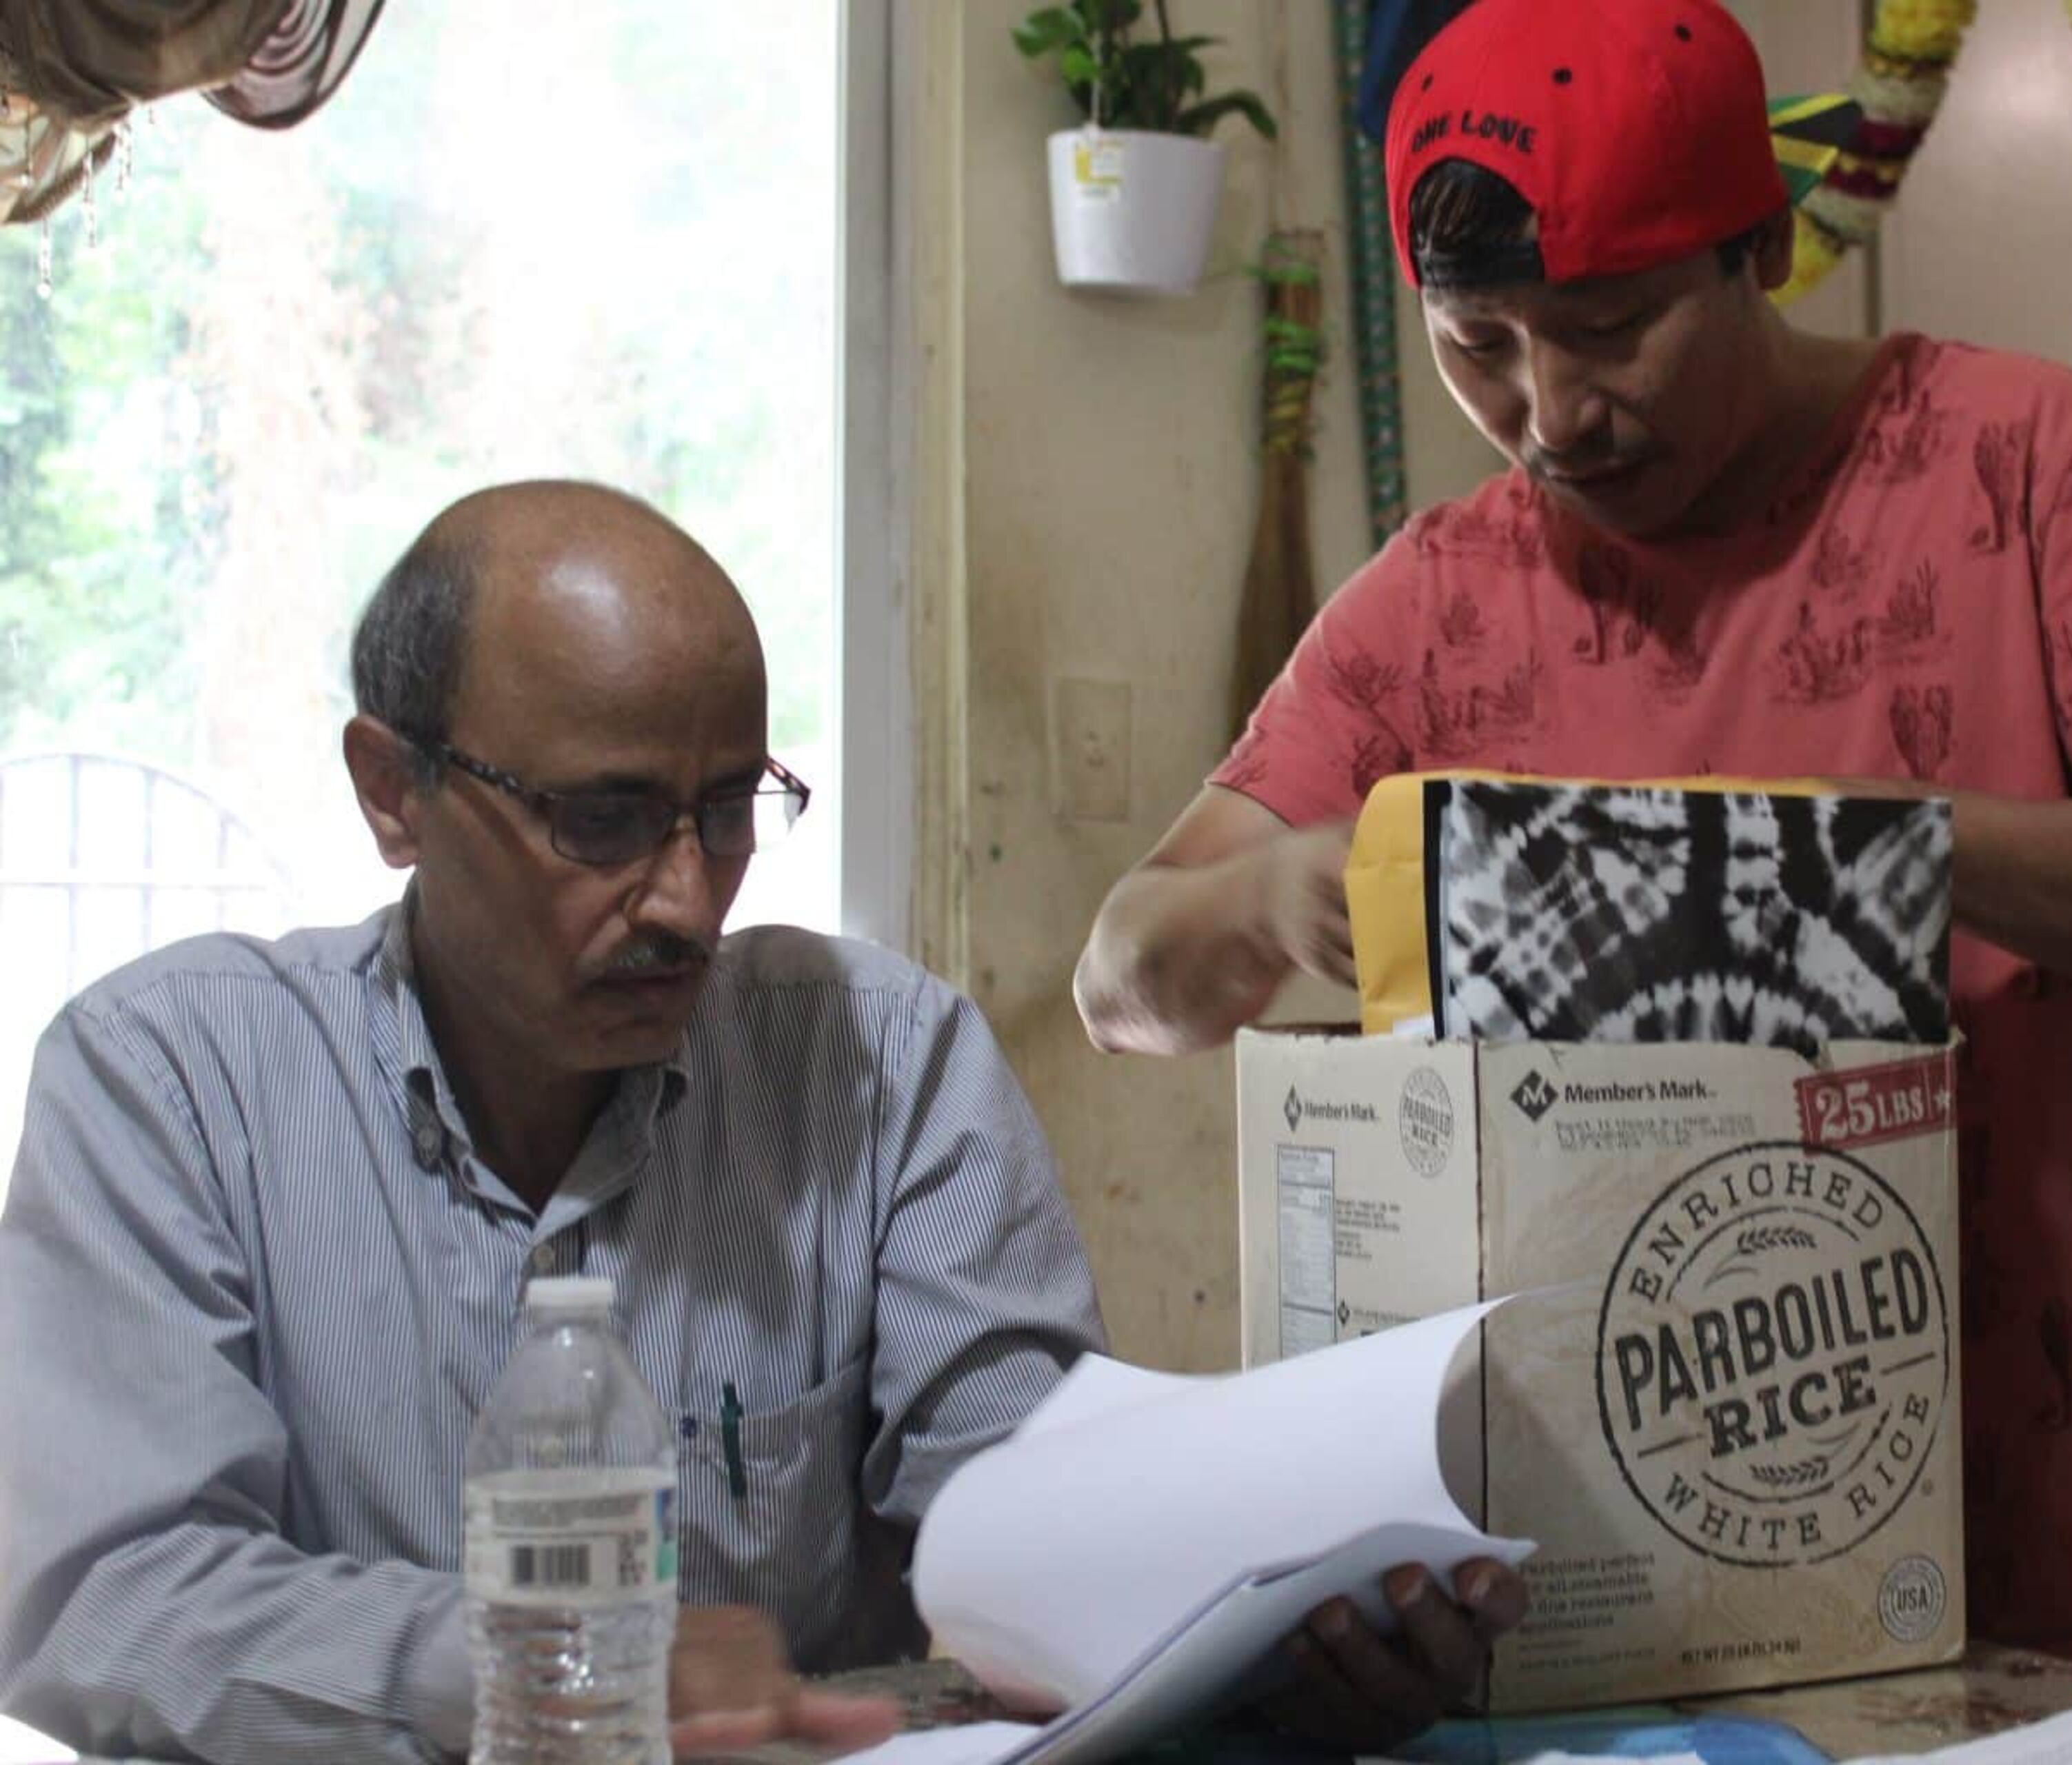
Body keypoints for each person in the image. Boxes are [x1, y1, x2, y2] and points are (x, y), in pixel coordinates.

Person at [1077, 0, 2072, 1686]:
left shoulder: (2039, 463)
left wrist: (1829, 858)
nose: (1550, 414)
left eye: (1609, 328)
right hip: (1593, 1618)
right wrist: (1269, 895)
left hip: (2060, 1587)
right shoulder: (1435, 602)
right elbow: (1121, 980)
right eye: (1481, 345)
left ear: (1764, 242)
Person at [0, 482, 1503, 1763]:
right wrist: (531, 1666)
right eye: (601, 816)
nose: (682, 894)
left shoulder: (880, 1064)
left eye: (728, 810)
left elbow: (1036, 1517)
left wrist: (1279, 1643)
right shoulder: (174, 1080)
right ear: (393, 790)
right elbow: (102, 1591)